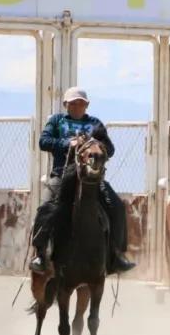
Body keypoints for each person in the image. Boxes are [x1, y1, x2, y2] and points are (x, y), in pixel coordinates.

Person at [28, 87, 135, 275]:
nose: (77, 106)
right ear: (65, 105)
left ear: (87, 105)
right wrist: (66, 143)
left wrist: (96, 146)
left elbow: (110, 149)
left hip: (91, 178)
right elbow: (43, 142)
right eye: (73, 103)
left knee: (117, 206)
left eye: (81, 103)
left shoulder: (95, 124)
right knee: (45, 208)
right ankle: (40, 253)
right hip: (61, 175)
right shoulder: (56, 121)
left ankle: (117, 254)